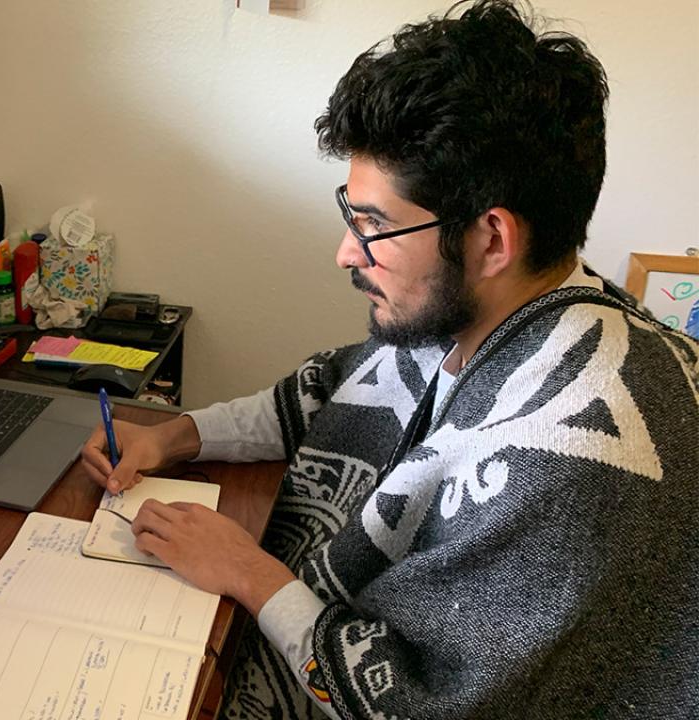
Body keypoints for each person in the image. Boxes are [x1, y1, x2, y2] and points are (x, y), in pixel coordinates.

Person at [79, 2, 699, 718]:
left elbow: (417, 704)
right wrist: (174, 435)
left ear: (492, 240)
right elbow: (326, 392)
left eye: (373, 224)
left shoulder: (569, 457)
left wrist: (248, 572)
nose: (347, 252)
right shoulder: (500, 308)